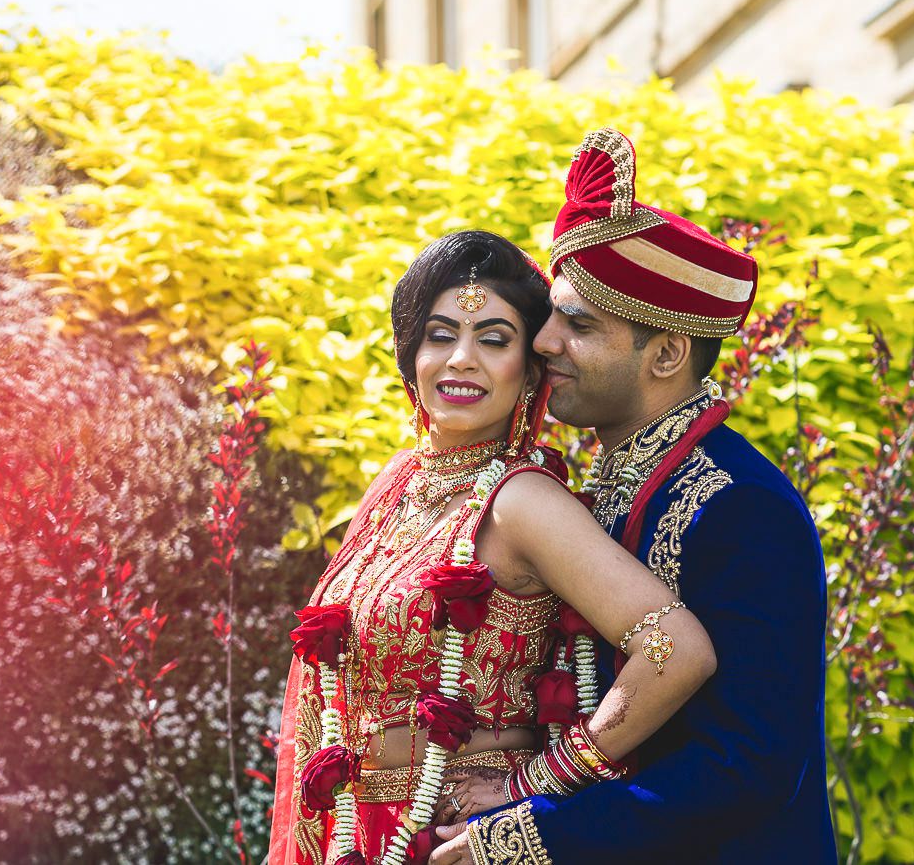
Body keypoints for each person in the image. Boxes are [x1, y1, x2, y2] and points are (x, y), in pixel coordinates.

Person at [429, 129, 835, 863]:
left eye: (579, 324)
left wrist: (532, 832)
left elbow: (751, 763)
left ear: (668, 353)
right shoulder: (606, 483)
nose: (543, 342)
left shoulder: (742, 506)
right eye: (551, 314)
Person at [268, 228, 720, 865]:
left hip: (453, 833)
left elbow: (675, 651)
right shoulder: (398, 481)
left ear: (531, 367)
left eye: (494, 340)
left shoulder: (523, 502)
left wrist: (535, 783)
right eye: (441, 335)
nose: (460, 360)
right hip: (355, 827)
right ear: (411, 355)